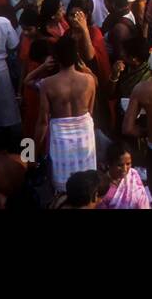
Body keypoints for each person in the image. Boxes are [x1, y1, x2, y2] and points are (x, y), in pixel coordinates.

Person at [37, 33, 98, 194]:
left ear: (56, 57)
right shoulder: (89, 80)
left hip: (60, 138)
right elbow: (90, 113)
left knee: (63, 189)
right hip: (85, 134)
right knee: (87, 187)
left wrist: (31, 153)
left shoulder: (47, 84)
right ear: (77, 56)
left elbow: (42, 122)